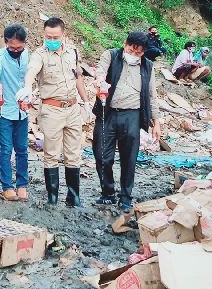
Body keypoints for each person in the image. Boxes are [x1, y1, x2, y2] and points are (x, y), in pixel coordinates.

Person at [18, 17, 89, 207]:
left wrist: (86, 102)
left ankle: (73, 196)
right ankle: (53, 196)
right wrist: (27, 87)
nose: (51, 39)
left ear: (63, 34)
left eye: (55, 36)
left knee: (73, 153)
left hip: (73, 108)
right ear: (44, 34)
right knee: (51, 153)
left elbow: (78, 77)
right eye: (48, 36)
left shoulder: (72, 52)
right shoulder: (40, 54)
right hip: (51, 109)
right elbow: (32, 71)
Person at [93, 31, 161, 212]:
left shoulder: (147, 66)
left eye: (138, 53)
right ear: (125, 44)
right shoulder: (111, 55)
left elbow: (152, 96)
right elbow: (100, 70)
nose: (134, 55)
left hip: (132, 115)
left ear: (144, 52)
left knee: (129, 157)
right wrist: (100, 80)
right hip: (107, 112)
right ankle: (108, 192)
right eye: (131, 50)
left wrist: (157, 122)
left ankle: (125, 196)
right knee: (102, 155)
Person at [0, 24, 31, 201]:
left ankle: (22, 185)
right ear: (5, 43)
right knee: (5, 150)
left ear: (24, 44)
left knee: (22, 149)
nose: (16, 50)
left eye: (19, 48)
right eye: (12, 47)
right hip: (3, 110)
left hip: (22, 110)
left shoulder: (28, 55)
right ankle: (7, 186)